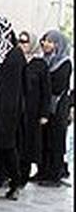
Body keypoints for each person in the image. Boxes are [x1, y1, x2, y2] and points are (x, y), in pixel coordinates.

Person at [0, 17, 26, 199]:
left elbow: (13, 88)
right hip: (0, 107)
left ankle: (12, 182)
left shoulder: (14, 56)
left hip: (8, 110)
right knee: (0, 147)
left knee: (6, 147)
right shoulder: (4, 55)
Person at [36, 30, 72, 186]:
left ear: (58, 45)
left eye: (50, 42)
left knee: (55, 141)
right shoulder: (44, 61)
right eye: (45, 41)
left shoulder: (65, 63)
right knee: (43, 140)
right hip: (44, 107)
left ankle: (54, 175)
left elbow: (58, 86)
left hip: (57, 108)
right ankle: (42, 172)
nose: (46, 44)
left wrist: (43, 81)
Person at [20, 32, 49, 185]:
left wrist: (44, 113)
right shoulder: (17, 60)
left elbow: (46, 90)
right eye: (20, 41)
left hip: (33, 111)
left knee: (29, 144)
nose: (22, 45)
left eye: (25, 42)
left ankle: (23, 176)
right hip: (18, 110)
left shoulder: (40, 64)